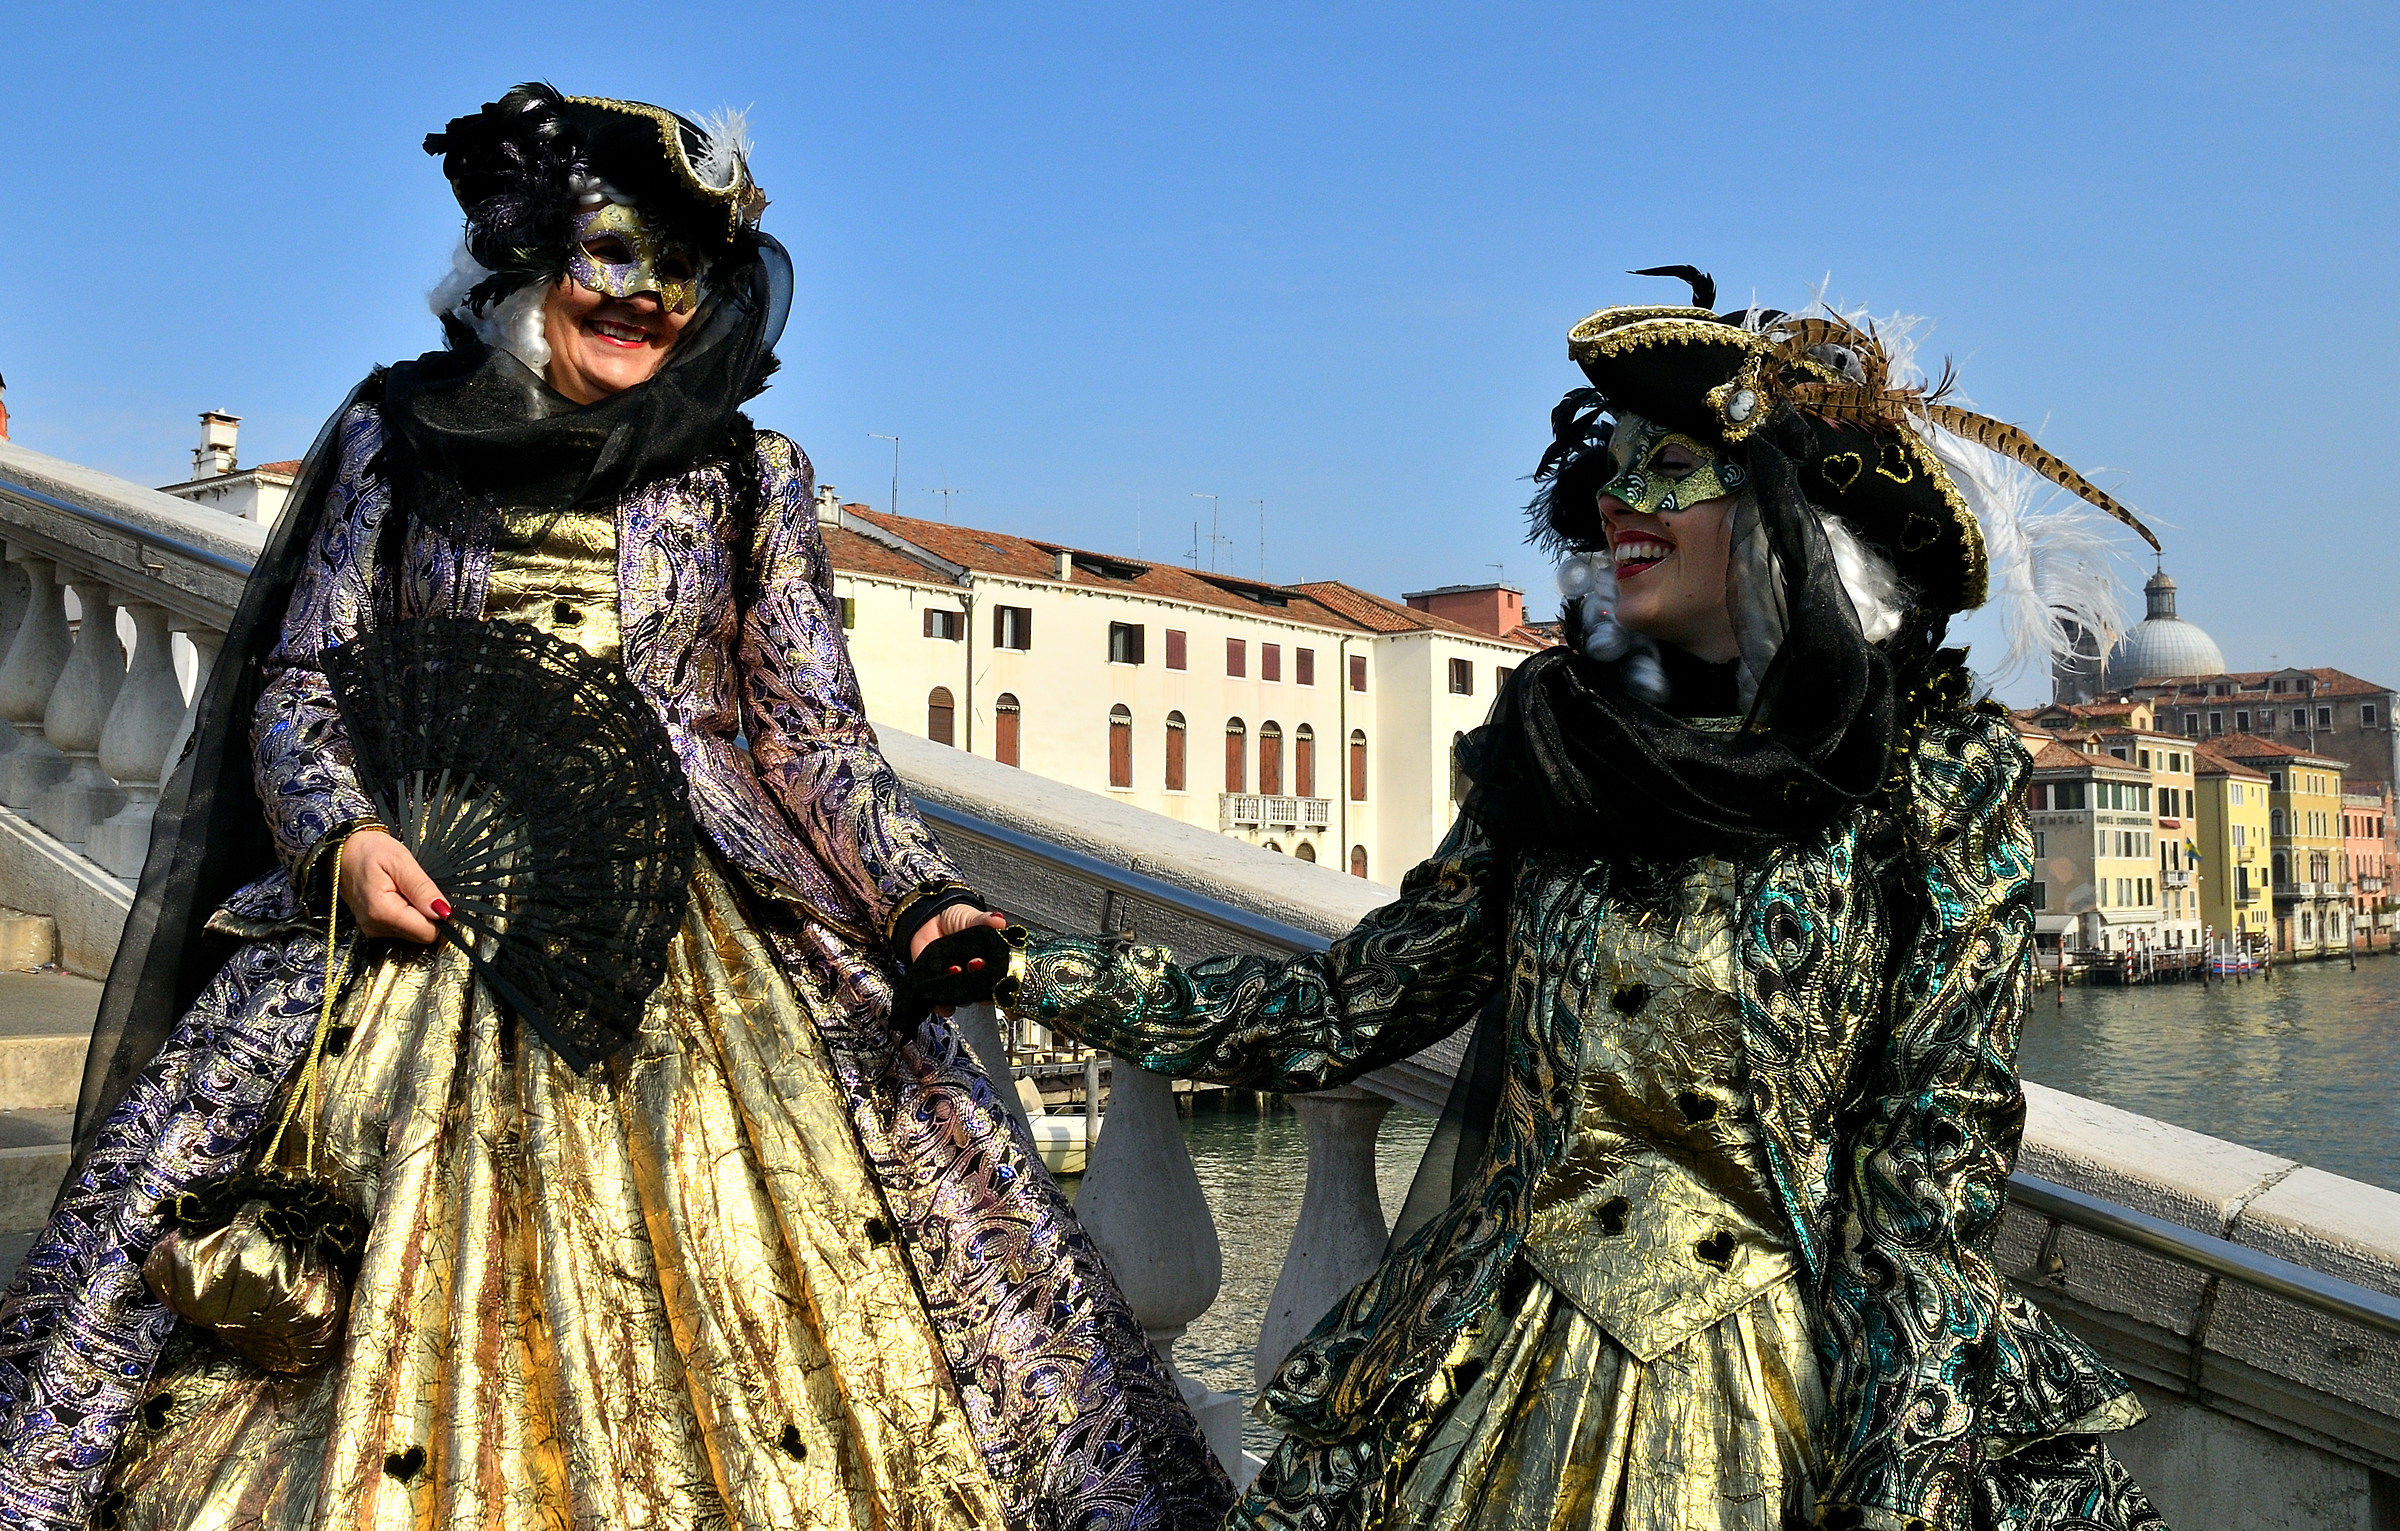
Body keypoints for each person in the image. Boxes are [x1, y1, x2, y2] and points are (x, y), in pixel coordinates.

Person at [0, 85, 1228, 1531]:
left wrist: (915, 891)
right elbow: (304, 678)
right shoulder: (399, 440)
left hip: (709, 952)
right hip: (421, 930)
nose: (644, 295)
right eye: (612, 252)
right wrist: (343, 832)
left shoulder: (752, 479)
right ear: (534, 254)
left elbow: (814, 734)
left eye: (680, 269)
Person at [981, 272, 2173, 1530]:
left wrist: (1899, 1469)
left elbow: (1933, 1151)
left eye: (1672, 465)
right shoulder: (1556, 749)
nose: (1619, 497)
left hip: (1775, 1402)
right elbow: (1350, 1004)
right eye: (1614, 464)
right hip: (1498, 1362)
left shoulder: (1927, 785)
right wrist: (1024, 966)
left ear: (1788, 523)